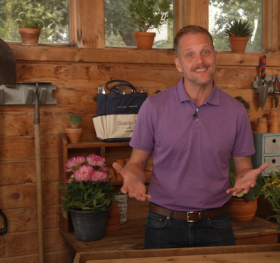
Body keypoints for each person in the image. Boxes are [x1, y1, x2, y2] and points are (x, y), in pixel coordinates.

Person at [112, 25, 268, 249]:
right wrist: (134, 176)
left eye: (205, 52)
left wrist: (245, 176)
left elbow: (243, 166)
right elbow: (137, 162)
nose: (200, 61)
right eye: (190, 54)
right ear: (178, 64)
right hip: (162, 224)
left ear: (215, 57)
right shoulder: (153, 107)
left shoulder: (236, 112)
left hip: (217, 223)